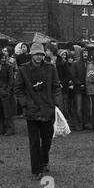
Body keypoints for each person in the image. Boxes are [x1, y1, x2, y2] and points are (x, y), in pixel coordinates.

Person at [14, 42, 62, 180]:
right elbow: (18, 89)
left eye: (41, 54)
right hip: (32, 110)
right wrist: (25, 104)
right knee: (34, 142)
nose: (39, 57)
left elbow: (56, 87)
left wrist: (55, 104)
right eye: (36, 54)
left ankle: (45, 159)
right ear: (31, 55)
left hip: (47, 109)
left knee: (47, 140)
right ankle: (36, 170)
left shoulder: (51, 68)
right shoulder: (23, 70)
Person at [0, 52, 16, 136]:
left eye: (4, 58)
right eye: (2, 58)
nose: (3, 59)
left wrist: (8, 91)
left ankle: (10, 130)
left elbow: (11, 80)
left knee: (7, 112)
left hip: (6, 92)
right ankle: (0, 129)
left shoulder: (9, 67)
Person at [72, 47, 90, 130]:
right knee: (78, 108)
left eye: (87, 53)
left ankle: (86, 124)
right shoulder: (76, 64)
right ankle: (78, 125)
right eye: (84, 53)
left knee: (86, 107)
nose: (86, 54)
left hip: (87, 89)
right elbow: (73, 76)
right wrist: (80, 84)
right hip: (78, 89)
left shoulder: (89, 64)